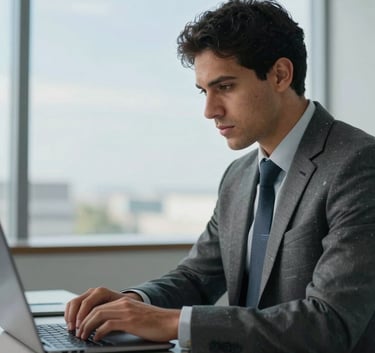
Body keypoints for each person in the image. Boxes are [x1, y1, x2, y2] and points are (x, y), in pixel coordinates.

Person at [65, 1, 375, 352]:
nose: (210, 110)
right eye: (204, 91)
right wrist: (131, 303)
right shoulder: (239, 176)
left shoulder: (359, 164)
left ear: (280, 75)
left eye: (224, 87)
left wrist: (169, 322)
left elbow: (329, 323)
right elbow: (197, 277)